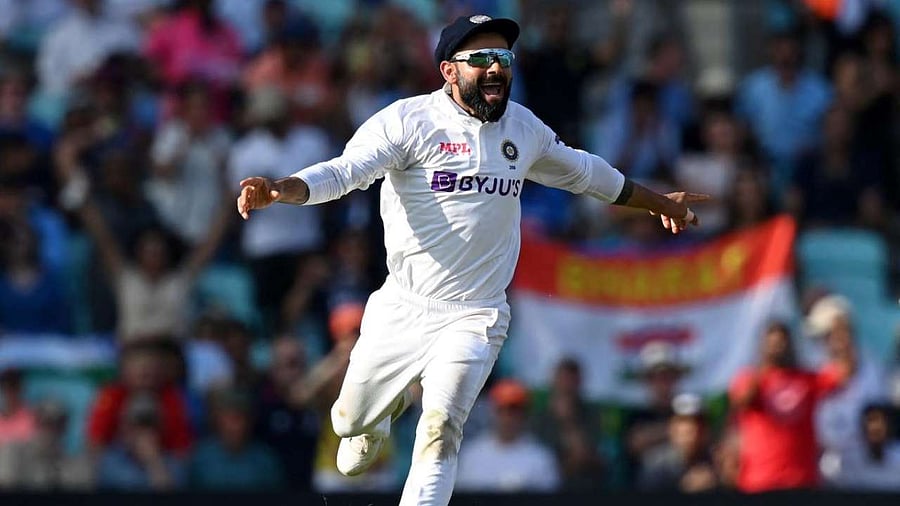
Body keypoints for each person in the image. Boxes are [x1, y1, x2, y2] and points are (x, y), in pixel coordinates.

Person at [236, 14, 706, 506]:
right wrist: (279, 189)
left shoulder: (522, 128)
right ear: (447, 70)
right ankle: (377, 415)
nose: (495, 69)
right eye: (480, 59)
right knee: (346, 422)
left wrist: (661, 203)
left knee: (441, 426)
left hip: (477, 312)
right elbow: (344, 172)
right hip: (404, 304)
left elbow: (589, 174)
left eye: (503, 59)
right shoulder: (407, 121)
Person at [728, 321, 851, 492]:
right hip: (760, 481)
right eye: (772, 343)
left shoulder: (808, 380)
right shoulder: (749, 378)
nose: (778, 347)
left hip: (802, 480)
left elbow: (843, 374)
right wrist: (763, 369)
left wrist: (841, 339)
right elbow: (741, 401)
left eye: (782, 342)